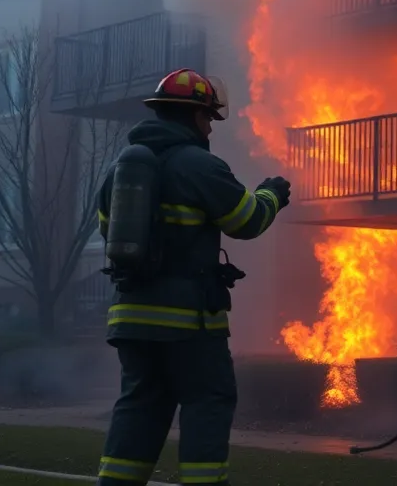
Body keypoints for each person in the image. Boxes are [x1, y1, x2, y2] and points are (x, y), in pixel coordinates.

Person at [95, 69, 291, 486]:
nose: (210, 128)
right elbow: (247, 220)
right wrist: (273, 194)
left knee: (140, 406)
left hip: (130, 318)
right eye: (208, 119)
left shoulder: (118, 172)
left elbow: (105, 230)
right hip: (188, 322)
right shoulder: (198, 165)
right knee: (208, 402)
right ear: (194, 117)